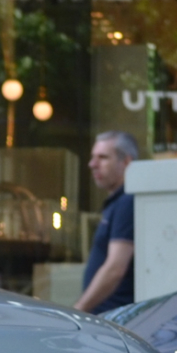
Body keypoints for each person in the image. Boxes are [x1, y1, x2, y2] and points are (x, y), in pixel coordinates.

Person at [75, 131, 140, 313]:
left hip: (114, 320)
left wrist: (79, 309)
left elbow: (115, 268)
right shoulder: (118, 202)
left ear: (126, 162)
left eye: (102, 158)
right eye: (92, 157)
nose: (92, 164)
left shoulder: (127, 202)